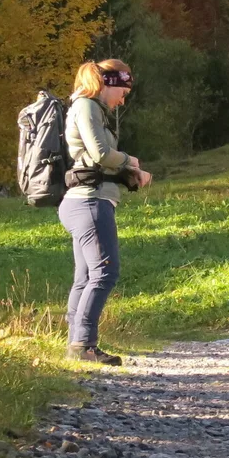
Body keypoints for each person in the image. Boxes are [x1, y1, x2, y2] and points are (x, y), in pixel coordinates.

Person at [59, 58, 151, 366]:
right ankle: (83, 344)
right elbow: (99, 153)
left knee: (85, 277)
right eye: (123, 90)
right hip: (89, 201)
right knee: (105, 273)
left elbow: (98, 158)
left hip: (87, 200)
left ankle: (77, 343)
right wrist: (131, 161)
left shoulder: (92, 110)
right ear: (109, 83)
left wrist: (125, 169)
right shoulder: (86, 106)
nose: (124, 98)